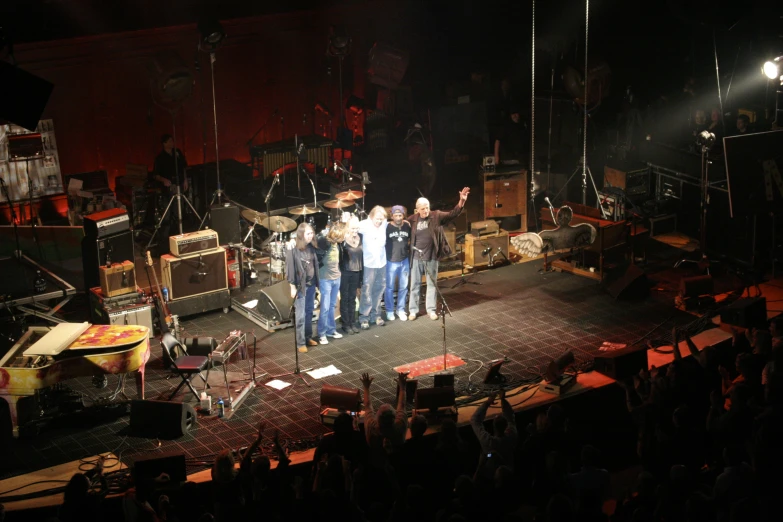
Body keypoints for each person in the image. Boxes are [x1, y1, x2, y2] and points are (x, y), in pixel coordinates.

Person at [407, 188, 469, 320]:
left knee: (432, 284)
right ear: (417, 209)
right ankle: (413, 310)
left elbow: (452, 214)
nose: (426, 210)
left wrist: (461, 201)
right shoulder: (412, 220)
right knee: (414, 285)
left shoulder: (436, 216)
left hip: (432, 256)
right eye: (423, 209)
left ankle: (431, 310)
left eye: (427, 207)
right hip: (416, 257)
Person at [152, 133, 189, 255]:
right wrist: (164, 180)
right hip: (167, 191)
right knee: (166, 216)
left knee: (179, 213)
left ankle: (181, 239)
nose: (172, 143)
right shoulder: (160, 158)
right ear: (164, 143)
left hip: (179, 186)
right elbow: (156, 175)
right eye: (170, 141)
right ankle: (164, 244)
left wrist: (185, 180)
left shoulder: (177, 153)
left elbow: (183, 167)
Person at [286, 223, 319, 353]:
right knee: (300, 316)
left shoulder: (311, 246)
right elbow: (289, 268)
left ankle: (307, 337)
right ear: (301, 234)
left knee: (309, 312)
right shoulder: (293, 248)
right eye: (308, 233)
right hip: (300, 287)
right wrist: (292, 287)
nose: (311, 236)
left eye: (312, 233)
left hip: (311, 285)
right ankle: (300, 343)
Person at [358, 206, 388, 329]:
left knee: (379, 289)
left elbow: (389, 222)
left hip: (381, 262)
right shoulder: (364, 225)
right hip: (369, 263)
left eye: (381, 219)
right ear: (371, 216)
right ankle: (364, 317)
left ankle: (376, 315)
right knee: (367, 290)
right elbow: (349, 229)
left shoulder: (384, 224)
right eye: (377, 218)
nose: (379, 221)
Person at [316, 223, 345, 345]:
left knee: (332, 306)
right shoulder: (324, 242)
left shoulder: (337, 245)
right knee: (325, 307)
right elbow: (317, 253)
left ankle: (330, 330)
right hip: (325, 279)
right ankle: (321, 333)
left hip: (336, 278)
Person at [384, 205, 411, 322]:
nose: (399, 218)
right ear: (392, 216)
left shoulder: (407, 225)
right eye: (396, 215)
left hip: (404, 260)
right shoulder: (386, 227)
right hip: (391, 261)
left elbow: (410, 239)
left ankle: (400, 309)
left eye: (400, 215)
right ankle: (389, 310)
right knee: (389, 287)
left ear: (403, 215)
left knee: (403, 287)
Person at [339, 215, 363, 335]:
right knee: (345, 299)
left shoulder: (361, 237)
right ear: (347, 227)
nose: (355, 231)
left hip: (357, 272)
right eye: (352, 228)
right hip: (345, 272)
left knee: (353, 299)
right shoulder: (342, 240)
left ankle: (352, 322)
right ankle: (345, 324)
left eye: (357, 228)